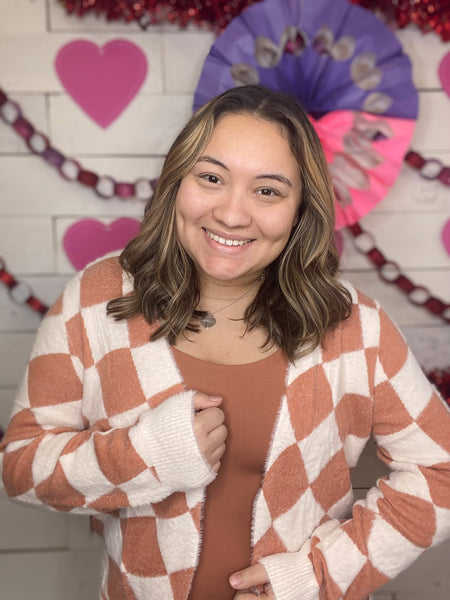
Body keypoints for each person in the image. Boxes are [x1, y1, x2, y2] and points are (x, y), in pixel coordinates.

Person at [1, 85, 450, 600]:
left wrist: (318, 575)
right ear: (177, 181)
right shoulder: (96, 299)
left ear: (301, 207)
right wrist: (144, 456)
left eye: (268, 191)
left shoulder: (352, 324)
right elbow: (22, 465)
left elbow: (441, 471)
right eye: (211, 178)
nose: (232, 215)